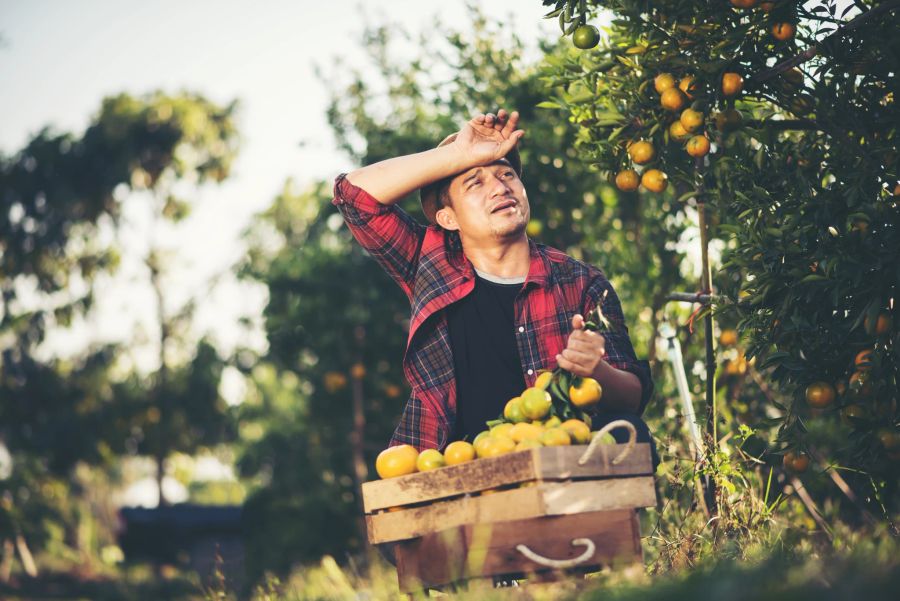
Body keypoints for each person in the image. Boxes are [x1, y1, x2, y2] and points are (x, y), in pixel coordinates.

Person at [331, 108, 657, 466]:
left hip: (556, 462)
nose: (500, 188)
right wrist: (457, 154)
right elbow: (354, 197)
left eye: (507, 175)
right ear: (448, 218)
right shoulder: (428, 262)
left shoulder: (581, 283)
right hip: (451, 465)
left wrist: (596, 369)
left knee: (627, 430)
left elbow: (633, 398)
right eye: (475, 182)